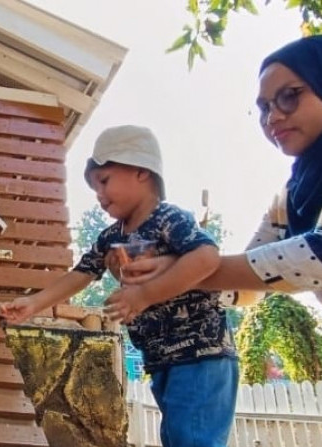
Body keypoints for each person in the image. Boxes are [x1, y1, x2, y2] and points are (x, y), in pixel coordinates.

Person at [0, 125, 239, 447]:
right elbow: (82, 273)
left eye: (105, 181)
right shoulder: (111, 236)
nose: (100, 195)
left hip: (202, 354)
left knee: (197, 446)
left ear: (141, 171)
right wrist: (34, 303)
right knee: (179, 442)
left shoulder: (169, 219)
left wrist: (144, 295)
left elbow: (207, 257)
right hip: (162, 358)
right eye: (94, 188)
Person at [120, 35, 322, 307]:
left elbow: (313, 257)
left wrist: (183, 270)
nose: (273, 117)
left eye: (289, 96)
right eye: (264, 108)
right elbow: (252, 282)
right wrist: (163, 268)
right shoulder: (291, 197)